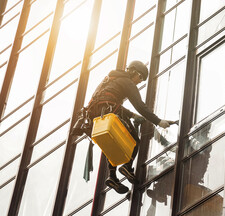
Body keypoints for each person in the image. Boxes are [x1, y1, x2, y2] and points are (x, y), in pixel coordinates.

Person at [72, 60, 171, 194]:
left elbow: (105, 99)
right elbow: (140, 105)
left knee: (112, 143)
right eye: (140, 77)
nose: (139, 82)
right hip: (109, 111)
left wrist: (131, 115)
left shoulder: (110, 79)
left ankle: (112, 177)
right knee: (134, 141)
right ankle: (127, 167)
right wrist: (158, 121)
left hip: (95, 117)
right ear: (133, 71)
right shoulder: (127, 82)